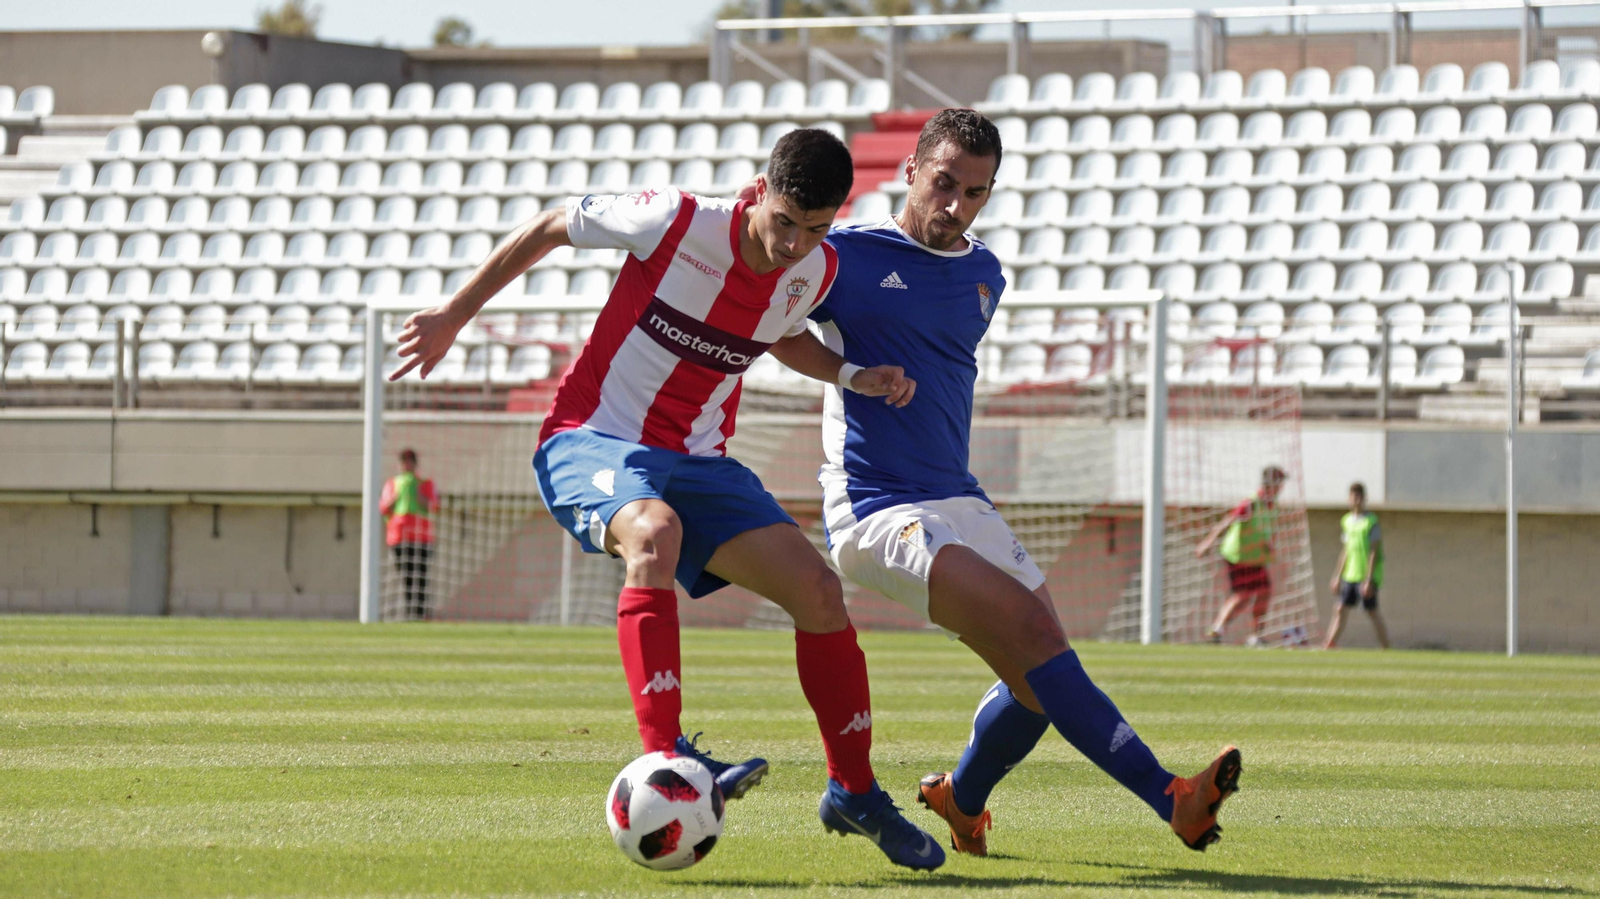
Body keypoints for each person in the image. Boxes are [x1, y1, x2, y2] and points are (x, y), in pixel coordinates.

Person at [389, 128, 944, 870]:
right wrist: (455, 313)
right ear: (758, 190)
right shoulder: (674, 220)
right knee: (654, 533)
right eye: (784, 222)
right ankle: (668, 761)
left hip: (700, 461)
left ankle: (855, 790)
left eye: (814, 230)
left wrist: (852, 374)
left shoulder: (813, 268)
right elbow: (552, 225)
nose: (793, 245)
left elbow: (779, 334)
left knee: (817, 591)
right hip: (592, 439)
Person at [756, 109, 1240, 859]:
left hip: (957, 494)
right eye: (944, 183)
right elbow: (771, 323)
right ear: (911, 170)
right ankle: (1171, 795)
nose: (955, 205)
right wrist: (852, 373)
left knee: (1042, 665)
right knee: (1033, 638)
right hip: (875, 506)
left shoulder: (986, 274)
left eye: (974, 192)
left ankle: (963, 797)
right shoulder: (842, 257)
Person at [1196, 465, 1287, 645]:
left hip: (1255, 557)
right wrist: (1207, 542)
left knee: (1264, 592)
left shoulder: (1272, 507)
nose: (1281, 487)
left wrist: (1269, 546)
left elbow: (1265, 531)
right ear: (1269, 483)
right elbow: (1227, 522)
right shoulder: (1251, 504)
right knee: (1243, 595)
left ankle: (1255, 637)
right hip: (1238, 555)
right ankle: (1216, 630)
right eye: (1279, 483)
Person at [1322, 482, 1390, 650]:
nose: (1356, 500)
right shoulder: (1346, 521)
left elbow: (1374, 551)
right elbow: (1346, 550)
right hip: (1350, 575)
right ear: (1349, 499)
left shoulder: (1371, 521)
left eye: (1359, 496)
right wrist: (1337, 576)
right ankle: (1328, 644)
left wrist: (1369, 579)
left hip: (1366, 576)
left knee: (1372, 612)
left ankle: (1386, 647)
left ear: (1364, 499)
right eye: (1354, 496)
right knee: (1339, 609)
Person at [378, 448, 439, 620]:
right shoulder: (392, 483)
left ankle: (421, 613)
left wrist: (417, 493)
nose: (407, 465)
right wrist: (397, 495)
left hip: (421, 537)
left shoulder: (425, 483)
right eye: (404, 461)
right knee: (407, 575)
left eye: (410, 461)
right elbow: (383, 508)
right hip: (399, 537)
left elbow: (433, 506)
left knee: (421, 575)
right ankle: (410, 613)